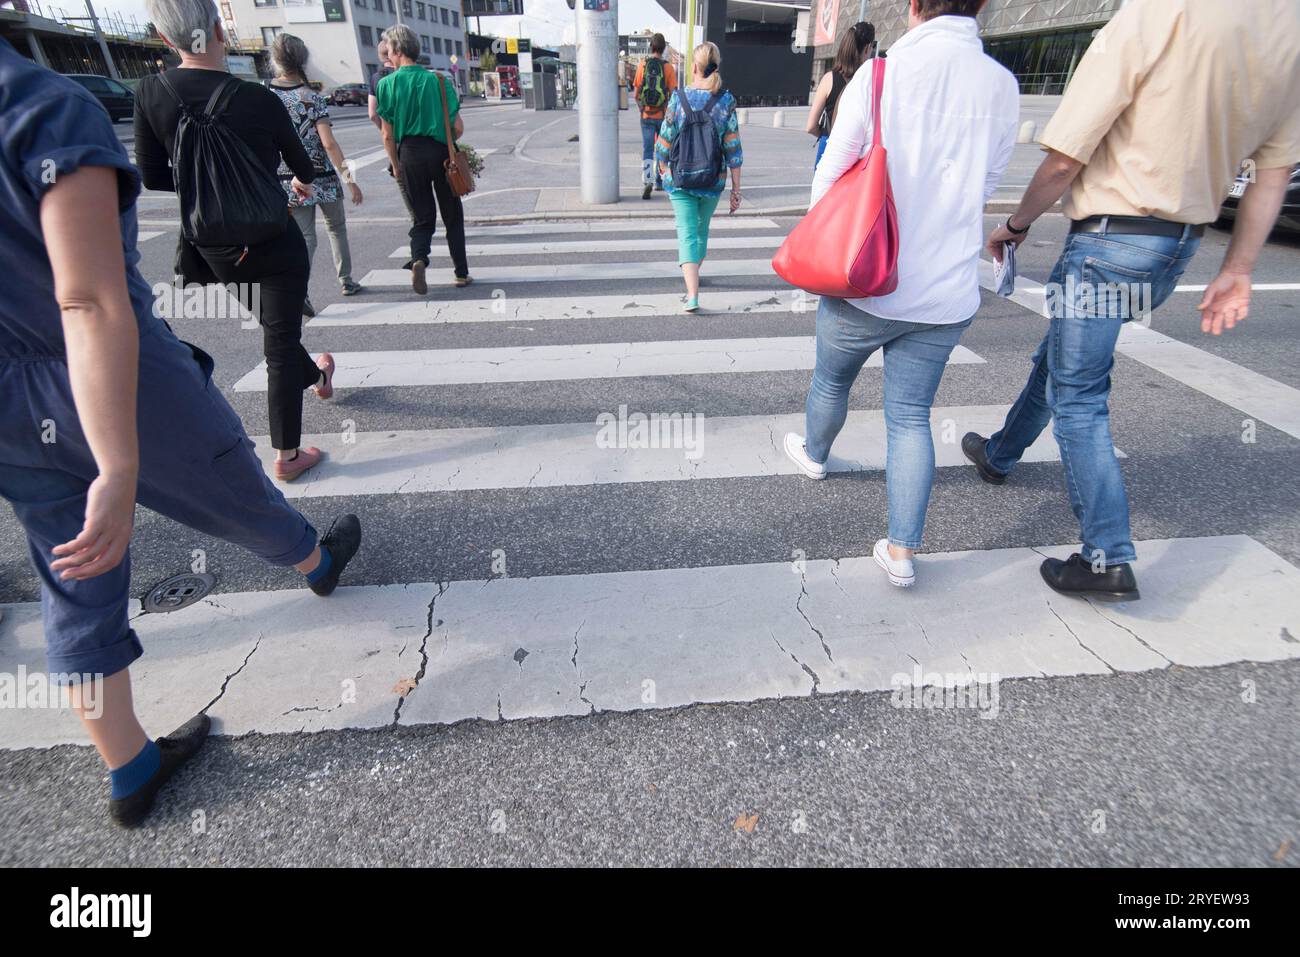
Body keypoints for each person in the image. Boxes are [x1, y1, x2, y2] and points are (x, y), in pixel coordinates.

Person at [0, 35, 362, 827]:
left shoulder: (135, 98)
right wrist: (118, 465)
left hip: (7, 400)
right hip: (103, 371)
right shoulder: (41, 107)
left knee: (70, 565)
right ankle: (314, 557)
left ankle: (128, 766)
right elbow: (87, 301)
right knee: (225, 480)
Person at [968, 0, 1300, 602]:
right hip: (1174, 250)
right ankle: (1000, 452)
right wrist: (1239, 269)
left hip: (1108, 245)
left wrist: (1015, 225)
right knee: (1065, 360)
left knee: (1080, 393)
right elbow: (1272, 175)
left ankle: (1105, 557)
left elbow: (1067, 155)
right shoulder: (1289, 29)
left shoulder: (1157, 12)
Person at [783, 0, 1019, 589]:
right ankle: (902, 553)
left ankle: (814, 455)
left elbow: (832, 169)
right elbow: (986, 185)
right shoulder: (1001, 85)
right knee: (911, 418)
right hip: (944, 294)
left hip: (865, 282)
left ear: (914, 6)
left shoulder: (881, 73)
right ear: (981, 6)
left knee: (831, 380)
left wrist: (824, 247)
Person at [134, 0, 335, 482]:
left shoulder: (150, 92)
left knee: (278, 332)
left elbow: (153, 177)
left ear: (166, 40)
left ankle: (319, 376)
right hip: (272, 236)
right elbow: (304, 169)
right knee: (279, 343)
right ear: (220, 29)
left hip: (216, 248)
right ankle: (287, 456)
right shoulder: (258, 98)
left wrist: (208, 181)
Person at [269, 34, 364, 310]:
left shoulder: (267, 96)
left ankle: (300, 291)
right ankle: (346, 280)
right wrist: (350, 181)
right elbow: (328, 143)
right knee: (336, 228)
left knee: (305, 237)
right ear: (304, 60)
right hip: (322, 176)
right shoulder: (313, 98)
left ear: (275, 60)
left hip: (289, 180)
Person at [376, 24, 471, 294]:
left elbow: (386, 134)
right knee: (452, 214)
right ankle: (461, 273)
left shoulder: (386, 84)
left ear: (396, 50)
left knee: (422, 217)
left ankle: (419, 259)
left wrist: (395, 165)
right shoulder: (438, 80)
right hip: (440, 153)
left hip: (409, 155)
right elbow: (459, 127)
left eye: (389, 51)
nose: (388, 56)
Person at [653, 41, 744, 314]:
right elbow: (733, 147)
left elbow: (665, 139)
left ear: (694, 66)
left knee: (687, 234)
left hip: (679, 178)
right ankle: (694, 271)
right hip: (712, 180)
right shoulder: (725, 101)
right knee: (701, 231)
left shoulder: (678, 98)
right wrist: (736, 189)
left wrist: (661, 166)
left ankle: (692, 295)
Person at [806, 21, 874, 169]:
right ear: (868, 48)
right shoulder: (869, 81)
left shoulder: (829, 79)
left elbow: (810, 126)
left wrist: (826, 135)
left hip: (829, 150)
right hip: (856, 157)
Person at [633, 33, 677, 200]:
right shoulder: (668, 68)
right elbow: (674, 94)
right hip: (663, 115)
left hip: (646, 114)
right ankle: (659, 180)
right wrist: (670, 115)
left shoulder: (642, 65)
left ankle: (648, 181)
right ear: (664, 48)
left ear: (651, 47)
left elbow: (636, 94)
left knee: (647, 149)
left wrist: (642, 109)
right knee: (662, 149)